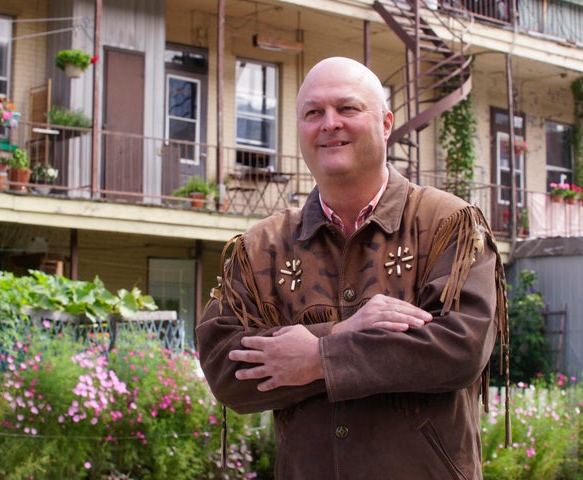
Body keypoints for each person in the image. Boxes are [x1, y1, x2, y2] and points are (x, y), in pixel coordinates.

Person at [196, 56, 508, 480]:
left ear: (385, 123)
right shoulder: (261, 248)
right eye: (313, 113)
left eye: (347, 108)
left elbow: (458, 348)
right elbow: (224, 369)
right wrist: (340, 332)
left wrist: (317, 358)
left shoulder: (447, 223)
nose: (329, 123)